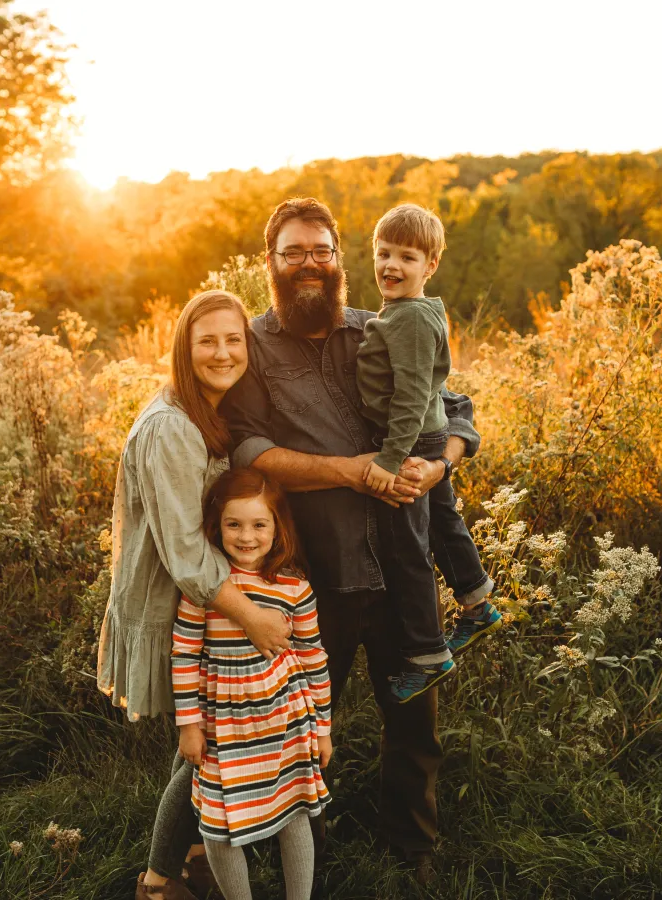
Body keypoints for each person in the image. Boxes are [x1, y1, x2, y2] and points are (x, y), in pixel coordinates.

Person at [220, 197, 482, 886]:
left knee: (415, 724)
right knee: (301, 725)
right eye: (293, 251)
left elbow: (454, 406)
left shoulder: (385, 324)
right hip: (316, 576)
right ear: (270, 263)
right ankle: (306, 853)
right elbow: (248, 449)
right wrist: (349, 473)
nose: (310, 263)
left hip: (401, 566)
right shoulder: (251, 347)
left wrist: (439, 463)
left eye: (322, 250)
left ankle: (413, 849)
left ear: (340, 259)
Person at [96, 290, 293, 900]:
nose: (223, 351)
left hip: (206, 605)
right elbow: (185, 554)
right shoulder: (172, 428)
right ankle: (158, 880)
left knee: (207, 740)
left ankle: (196, 856)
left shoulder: (210, 412)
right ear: (184, 347)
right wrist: (254, 618)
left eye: (234, 339)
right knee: (203, 747)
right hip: (179, 605)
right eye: (207, 340)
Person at [357, 204, 502, 703]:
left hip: (412, 441)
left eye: (407, 257)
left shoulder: (411, 319)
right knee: (443, 522)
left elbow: (415, 394)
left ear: (431, 265)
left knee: (406, 550)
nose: (391, 265)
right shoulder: (406, 312)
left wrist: (391, 459)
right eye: (383, 253)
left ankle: (427, 654)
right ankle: (478, 602)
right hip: (429, 436)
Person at [172, 467, 332, 900]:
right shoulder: (205, 588)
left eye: (259, 524)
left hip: (285, 718)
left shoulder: (294, 588)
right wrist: (189, 724)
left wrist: (324, 728)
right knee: (218, 825)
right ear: (216, 525)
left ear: (277, 528)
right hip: (223, 723)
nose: (247, 536)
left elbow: (313, 658)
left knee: (294, 811)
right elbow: (185, 653)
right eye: (234, 524)